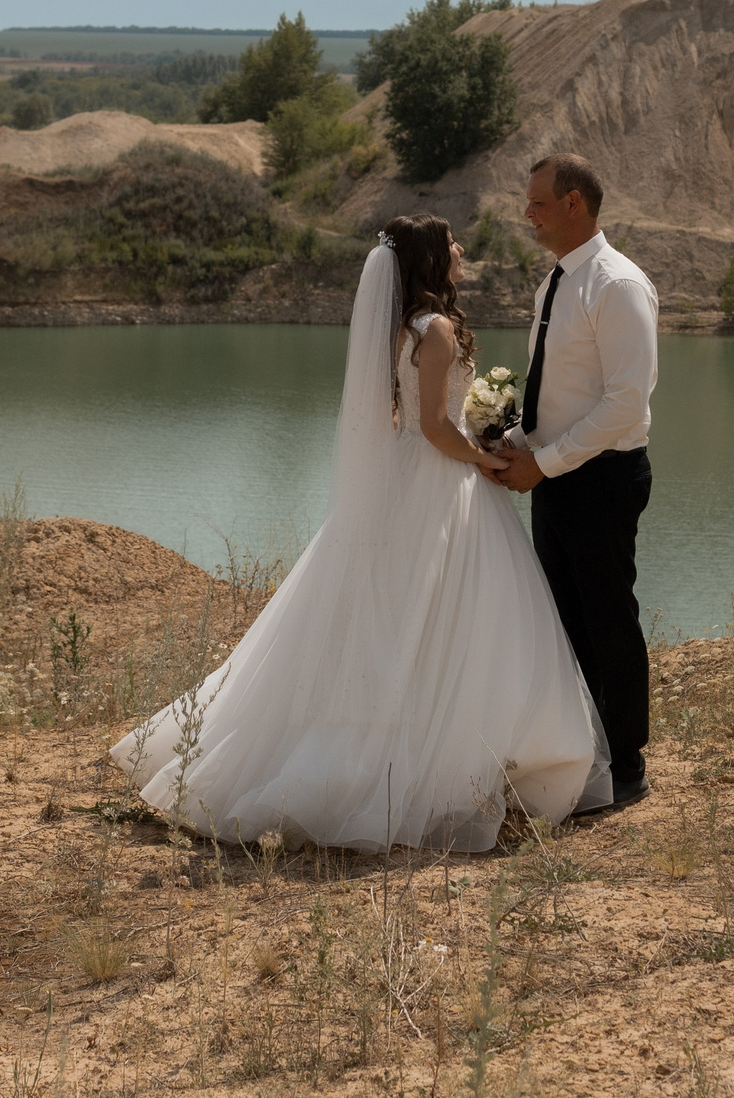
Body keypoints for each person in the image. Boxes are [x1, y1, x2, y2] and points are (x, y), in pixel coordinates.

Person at [115, 215, 610, 851]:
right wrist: (486, 459)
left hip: (410, 476)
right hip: (438, 480)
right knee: (452, 615)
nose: (461, 249)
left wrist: (477, 435)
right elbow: (434, 426)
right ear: (433, 259)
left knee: (401, 612)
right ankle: (444, 763)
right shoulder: (434, 330)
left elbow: (410, 419)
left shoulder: (402, 327)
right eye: (452, 243)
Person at [486, 153, 659, 807]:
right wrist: (515, 443)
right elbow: (556, 392)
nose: (526, 213)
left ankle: (627, 766)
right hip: (556, 472)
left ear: (573, 205)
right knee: (562, 619)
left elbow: (623, 403)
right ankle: (581, 756)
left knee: (607, 614)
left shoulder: (617, 285)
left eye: (536, 202)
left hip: (602, 477)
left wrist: (544, 462)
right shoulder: (557, 282)